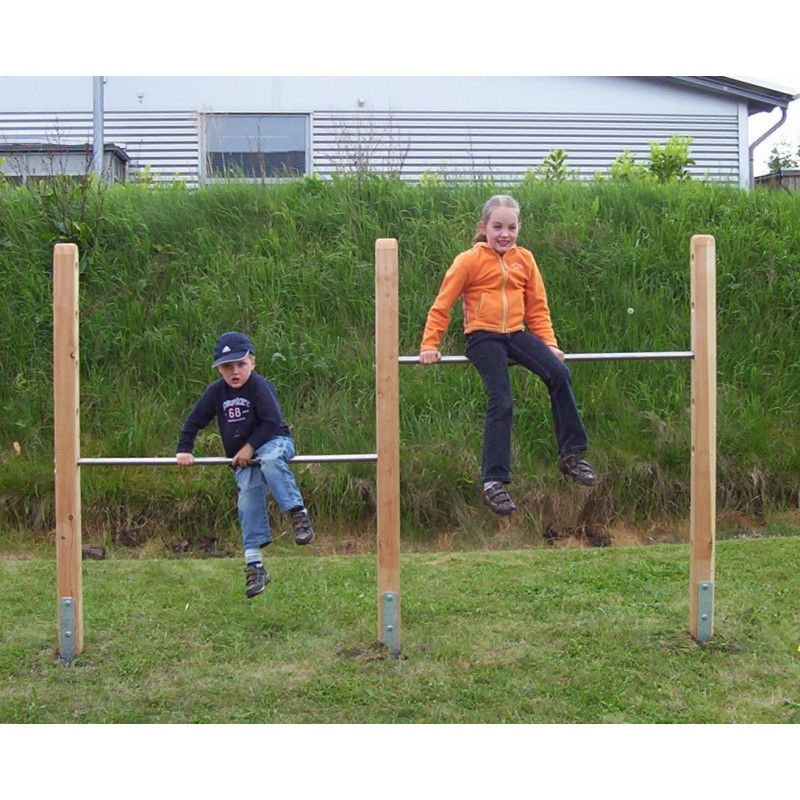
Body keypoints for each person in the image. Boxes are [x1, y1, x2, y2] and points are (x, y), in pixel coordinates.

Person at [419, 194, 596, 516]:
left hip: (515, 333)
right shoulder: (468, 261)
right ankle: (493, 481)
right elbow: (442, 305)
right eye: (498, 226)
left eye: (511, 227)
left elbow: (537, 308)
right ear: (483, 227)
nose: (505, 234)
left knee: (559, 374)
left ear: (518, 229)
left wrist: (549, 343)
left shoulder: (524, 259)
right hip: (483, 337)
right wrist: (430, 345)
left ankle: (572, 454)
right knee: (502, 400)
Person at [176, 331, 314, 598]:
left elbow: (272, 421)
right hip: (242, 457)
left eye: (241, 364)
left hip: (273, 442)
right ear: (219, 370)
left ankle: (298, 513)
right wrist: (184, 449)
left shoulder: (259, 386)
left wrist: (250, 447)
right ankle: (255, 565)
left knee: (271, 461)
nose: (235, 371)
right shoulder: (216, 392)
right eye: (228, 367)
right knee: (247, 499)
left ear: (252, 362)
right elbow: (194, 421)